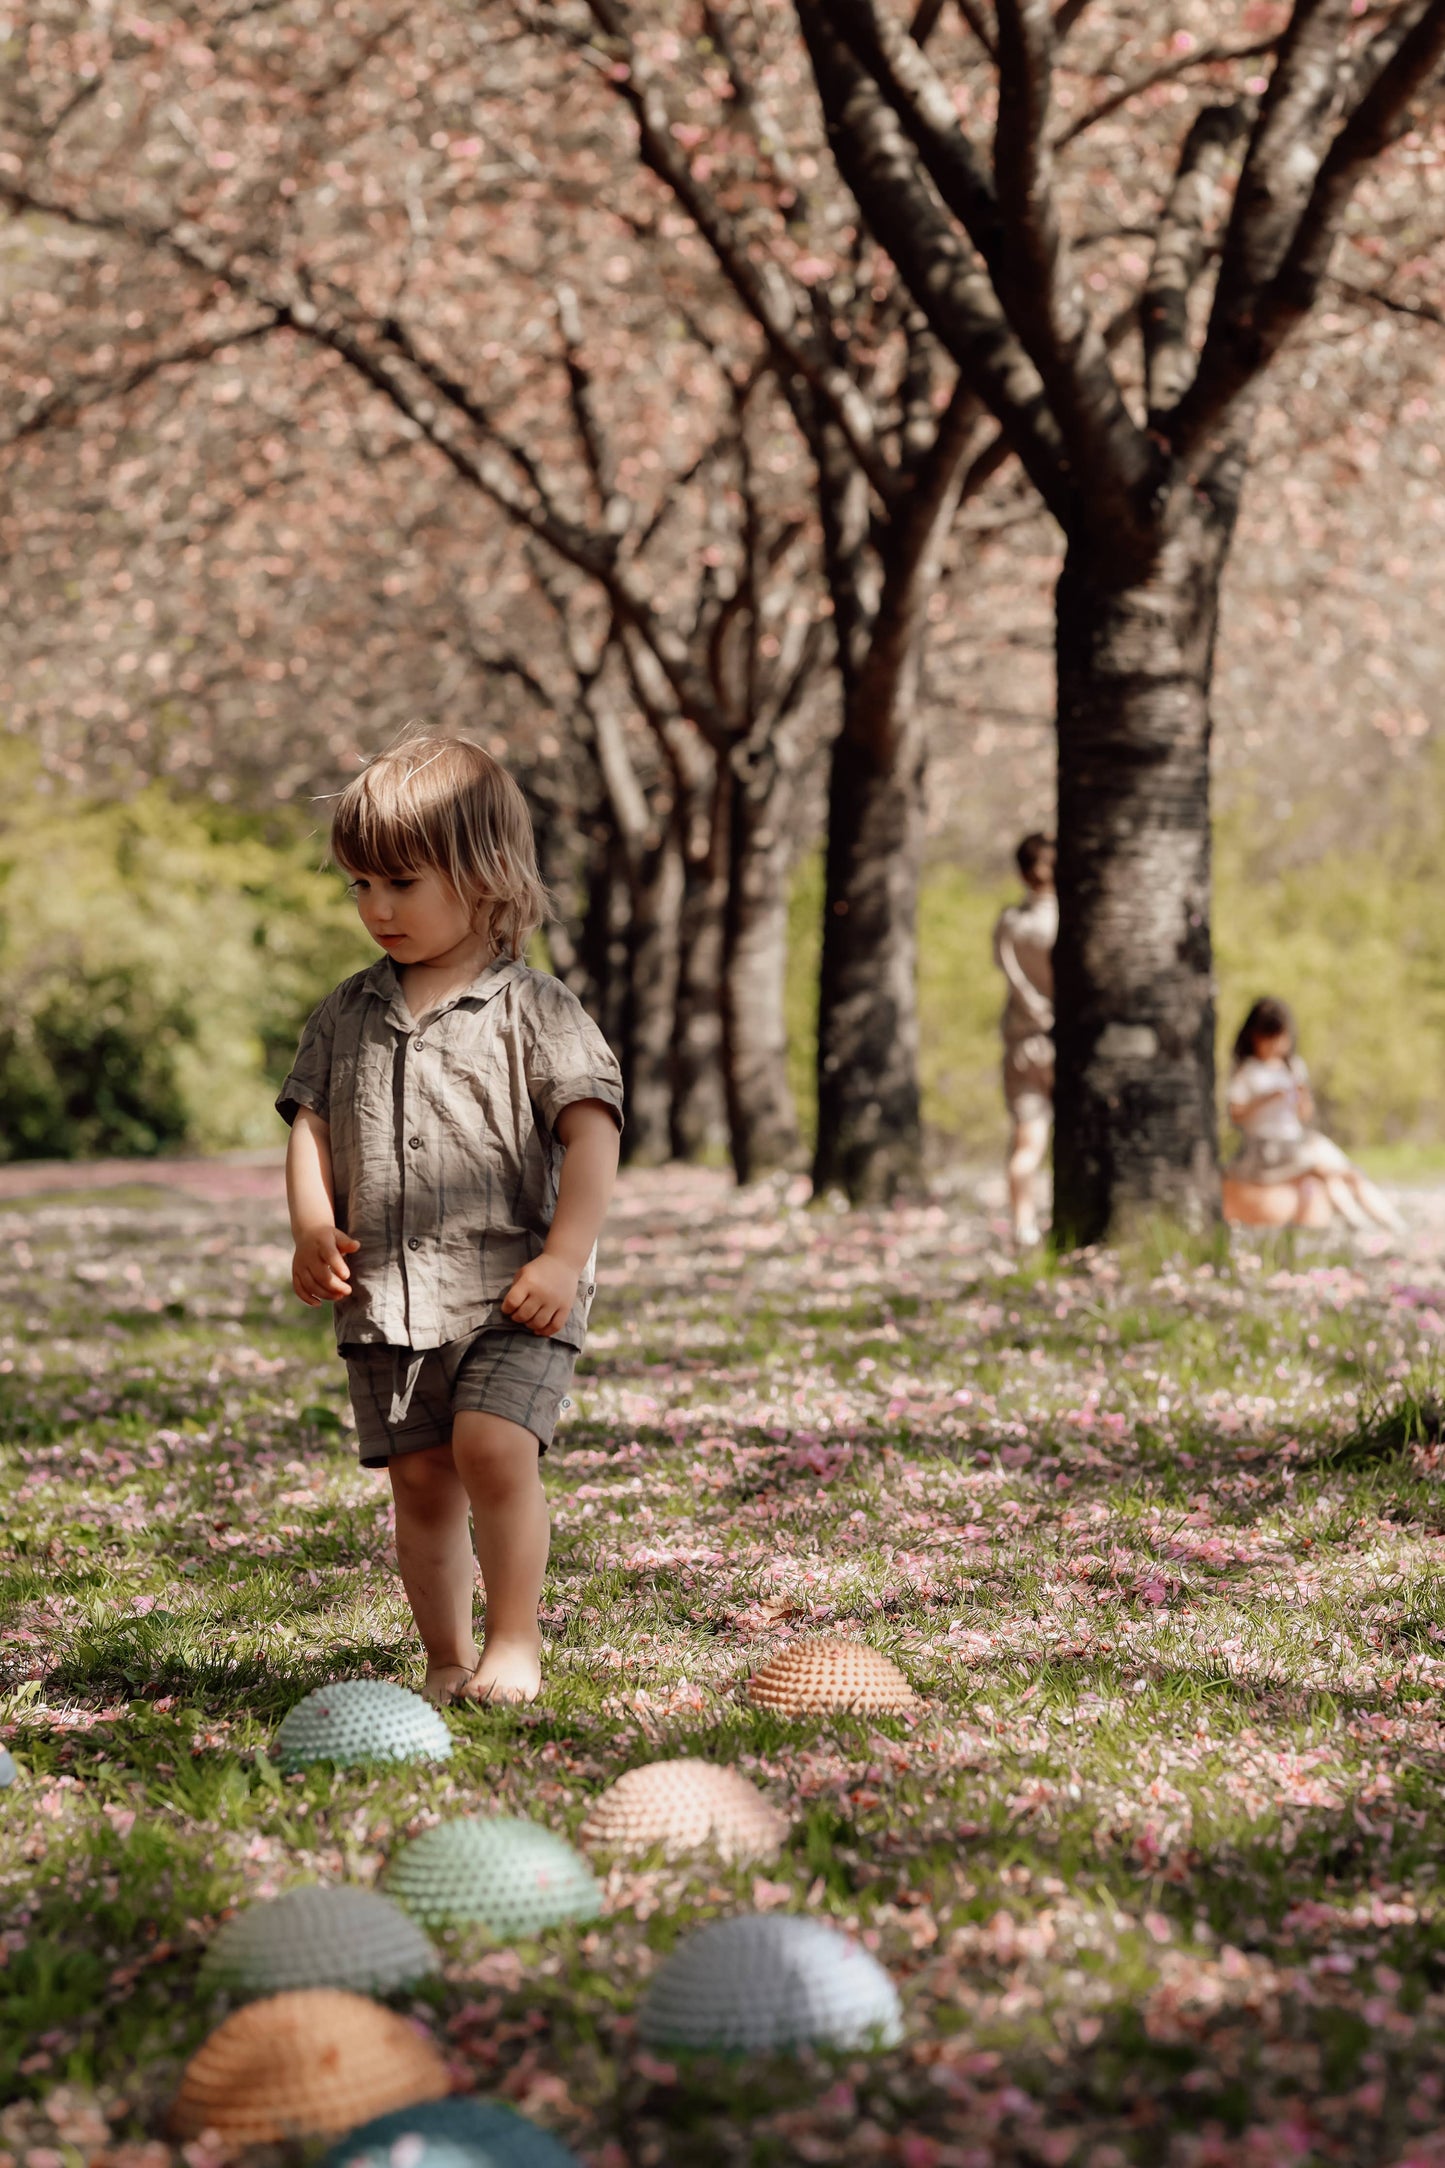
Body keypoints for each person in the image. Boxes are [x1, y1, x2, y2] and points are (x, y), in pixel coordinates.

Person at [276, 735, 623, 1707]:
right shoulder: (344, 1012)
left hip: (515, 1282)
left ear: (481, 874)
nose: (375, 907)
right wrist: (310, 1224)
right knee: (421, 1479)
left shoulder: (537, 1007)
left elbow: (590, 1133)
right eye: (358, 883)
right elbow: (308, 1122)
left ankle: (514, 1640)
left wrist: (565, 1256)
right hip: (389, 1291)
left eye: (399, 880)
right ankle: (442, 1654)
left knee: (492, 1446)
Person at [1226, 996, 1398, 1232]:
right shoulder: (1247, 1071)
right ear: (1255, 1036)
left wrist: (1301, 1097)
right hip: (1268, 1149)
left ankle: (1388, 1224)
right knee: (1328, 1172)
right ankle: (1362, 1225)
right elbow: (1235, 1114)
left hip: (1298, 1140)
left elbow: (1305, 1115)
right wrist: (1267, 1098)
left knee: (1348, 1174)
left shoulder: (1293, 1066)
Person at [992, 832, 1057, 1248]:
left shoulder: (1010, 925)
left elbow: (1012, 979)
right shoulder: (1065, 921)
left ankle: (1023, 1226)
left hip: (1021, 1044)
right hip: (1057, 1043)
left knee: (1028, 1141)